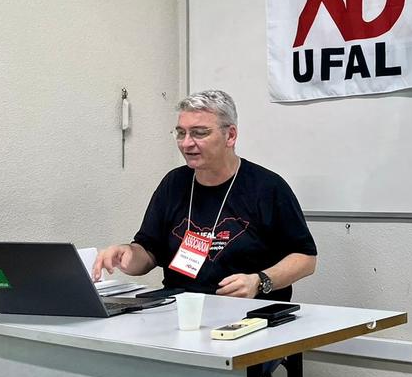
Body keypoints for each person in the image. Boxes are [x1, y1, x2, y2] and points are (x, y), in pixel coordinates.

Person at [93, 90, 316, 299]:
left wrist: (260, 281)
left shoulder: (267, 188)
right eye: (181, 133)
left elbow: (305, 258)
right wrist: (126, 255)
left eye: (199, 133)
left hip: (248, 313)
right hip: (180, 307)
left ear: (230, 136)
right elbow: (149, 251)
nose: (187, 143)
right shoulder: (174, 183)